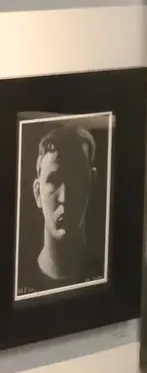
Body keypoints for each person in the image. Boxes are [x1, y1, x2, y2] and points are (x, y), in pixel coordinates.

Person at [23, 124, 98, 293]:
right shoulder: (15, 280)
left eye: (76, 179)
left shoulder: (101, 273)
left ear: (90, 186)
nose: (64, 198)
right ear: (37, 193)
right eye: (54, 180)